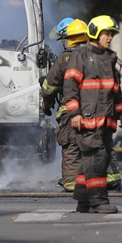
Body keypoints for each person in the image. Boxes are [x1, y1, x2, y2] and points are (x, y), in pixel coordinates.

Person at [62, 15, 122, 214]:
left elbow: (115, 90)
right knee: (97, 159)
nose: (110, 37)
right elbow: (70, 87)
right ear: (95, 33)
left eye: (111, 34)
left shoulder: (109, 58)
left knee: (93, 160)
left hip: (106, 120)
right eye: (107, 33)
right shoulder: (80, 55)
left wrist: (121, 112)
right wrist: (74, 113)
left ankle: (83, 201)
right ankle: (98, 201)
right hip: (88, 120)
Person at [41, 18, 88, 192]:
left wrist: (46, 105)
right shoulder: (98, 56)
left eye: (64, 38)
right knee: (97, 144)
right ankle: (109, 179)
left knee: (71, 146)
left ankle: (72, 182)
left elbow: (49, 88)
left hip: (71, 111)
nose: (63, 42)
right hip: (95, 109)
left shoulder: (65, 58)